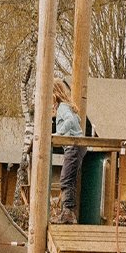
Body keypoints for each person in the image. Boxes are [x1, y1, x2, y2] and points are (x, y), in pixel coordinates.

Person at [53, 78, 85, 225]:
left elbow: (71, 120)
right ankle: (67, 212)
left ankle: (68, 213)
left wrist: (59, 133)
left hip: (73, 145)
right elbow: (76, 119)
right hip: (76, 146)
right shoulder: (66, 106)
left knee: (66, 179)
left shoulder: (62, 107)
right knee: (69, 179)